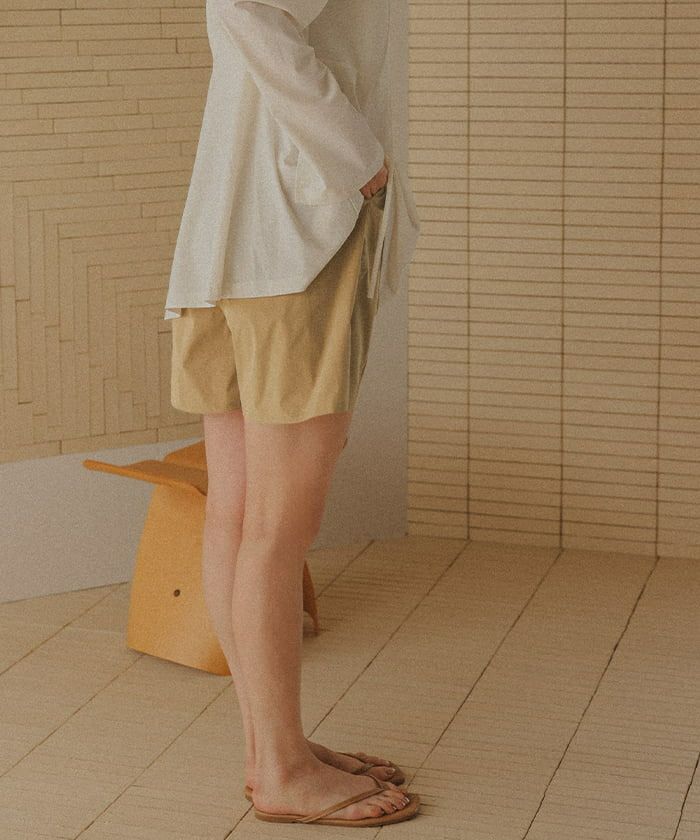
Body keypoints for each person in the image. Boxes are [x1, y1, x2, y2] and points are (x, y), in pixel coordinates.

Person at [165, 0, 421, 828]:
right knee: (273, 528)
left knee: (238, 516)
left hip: (226, 230)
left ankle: (271, 750)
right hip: (297, 234)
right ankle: (281, 770)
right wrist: (357, 155)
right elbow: (245, 7)